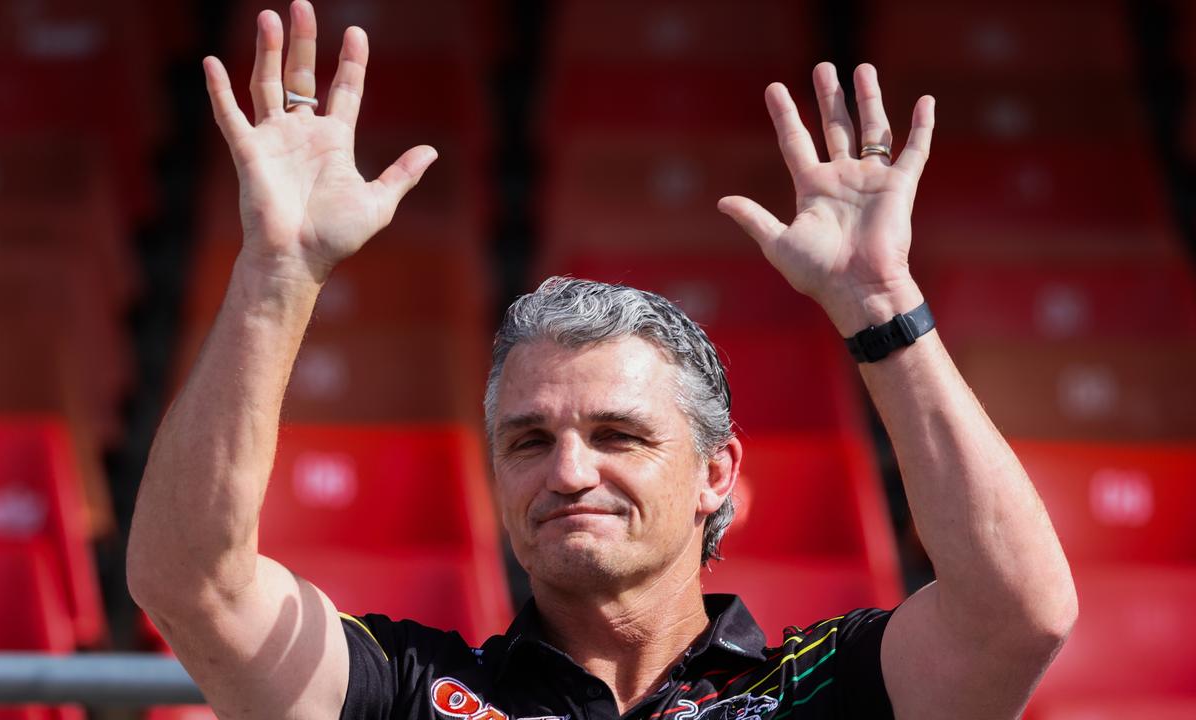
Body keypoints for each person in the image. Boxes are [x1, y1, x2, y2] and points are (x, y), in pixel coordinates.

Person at [126, 2, 1079, 718]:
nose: (569, 471)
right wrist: (276, 272)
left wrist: (881, 307)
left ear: (718, 474)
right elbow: (192, 584)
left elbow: (1018, 612)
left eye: (619, 434)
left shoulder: (817, 689)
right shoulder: (414, 691)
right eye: (528, 439)